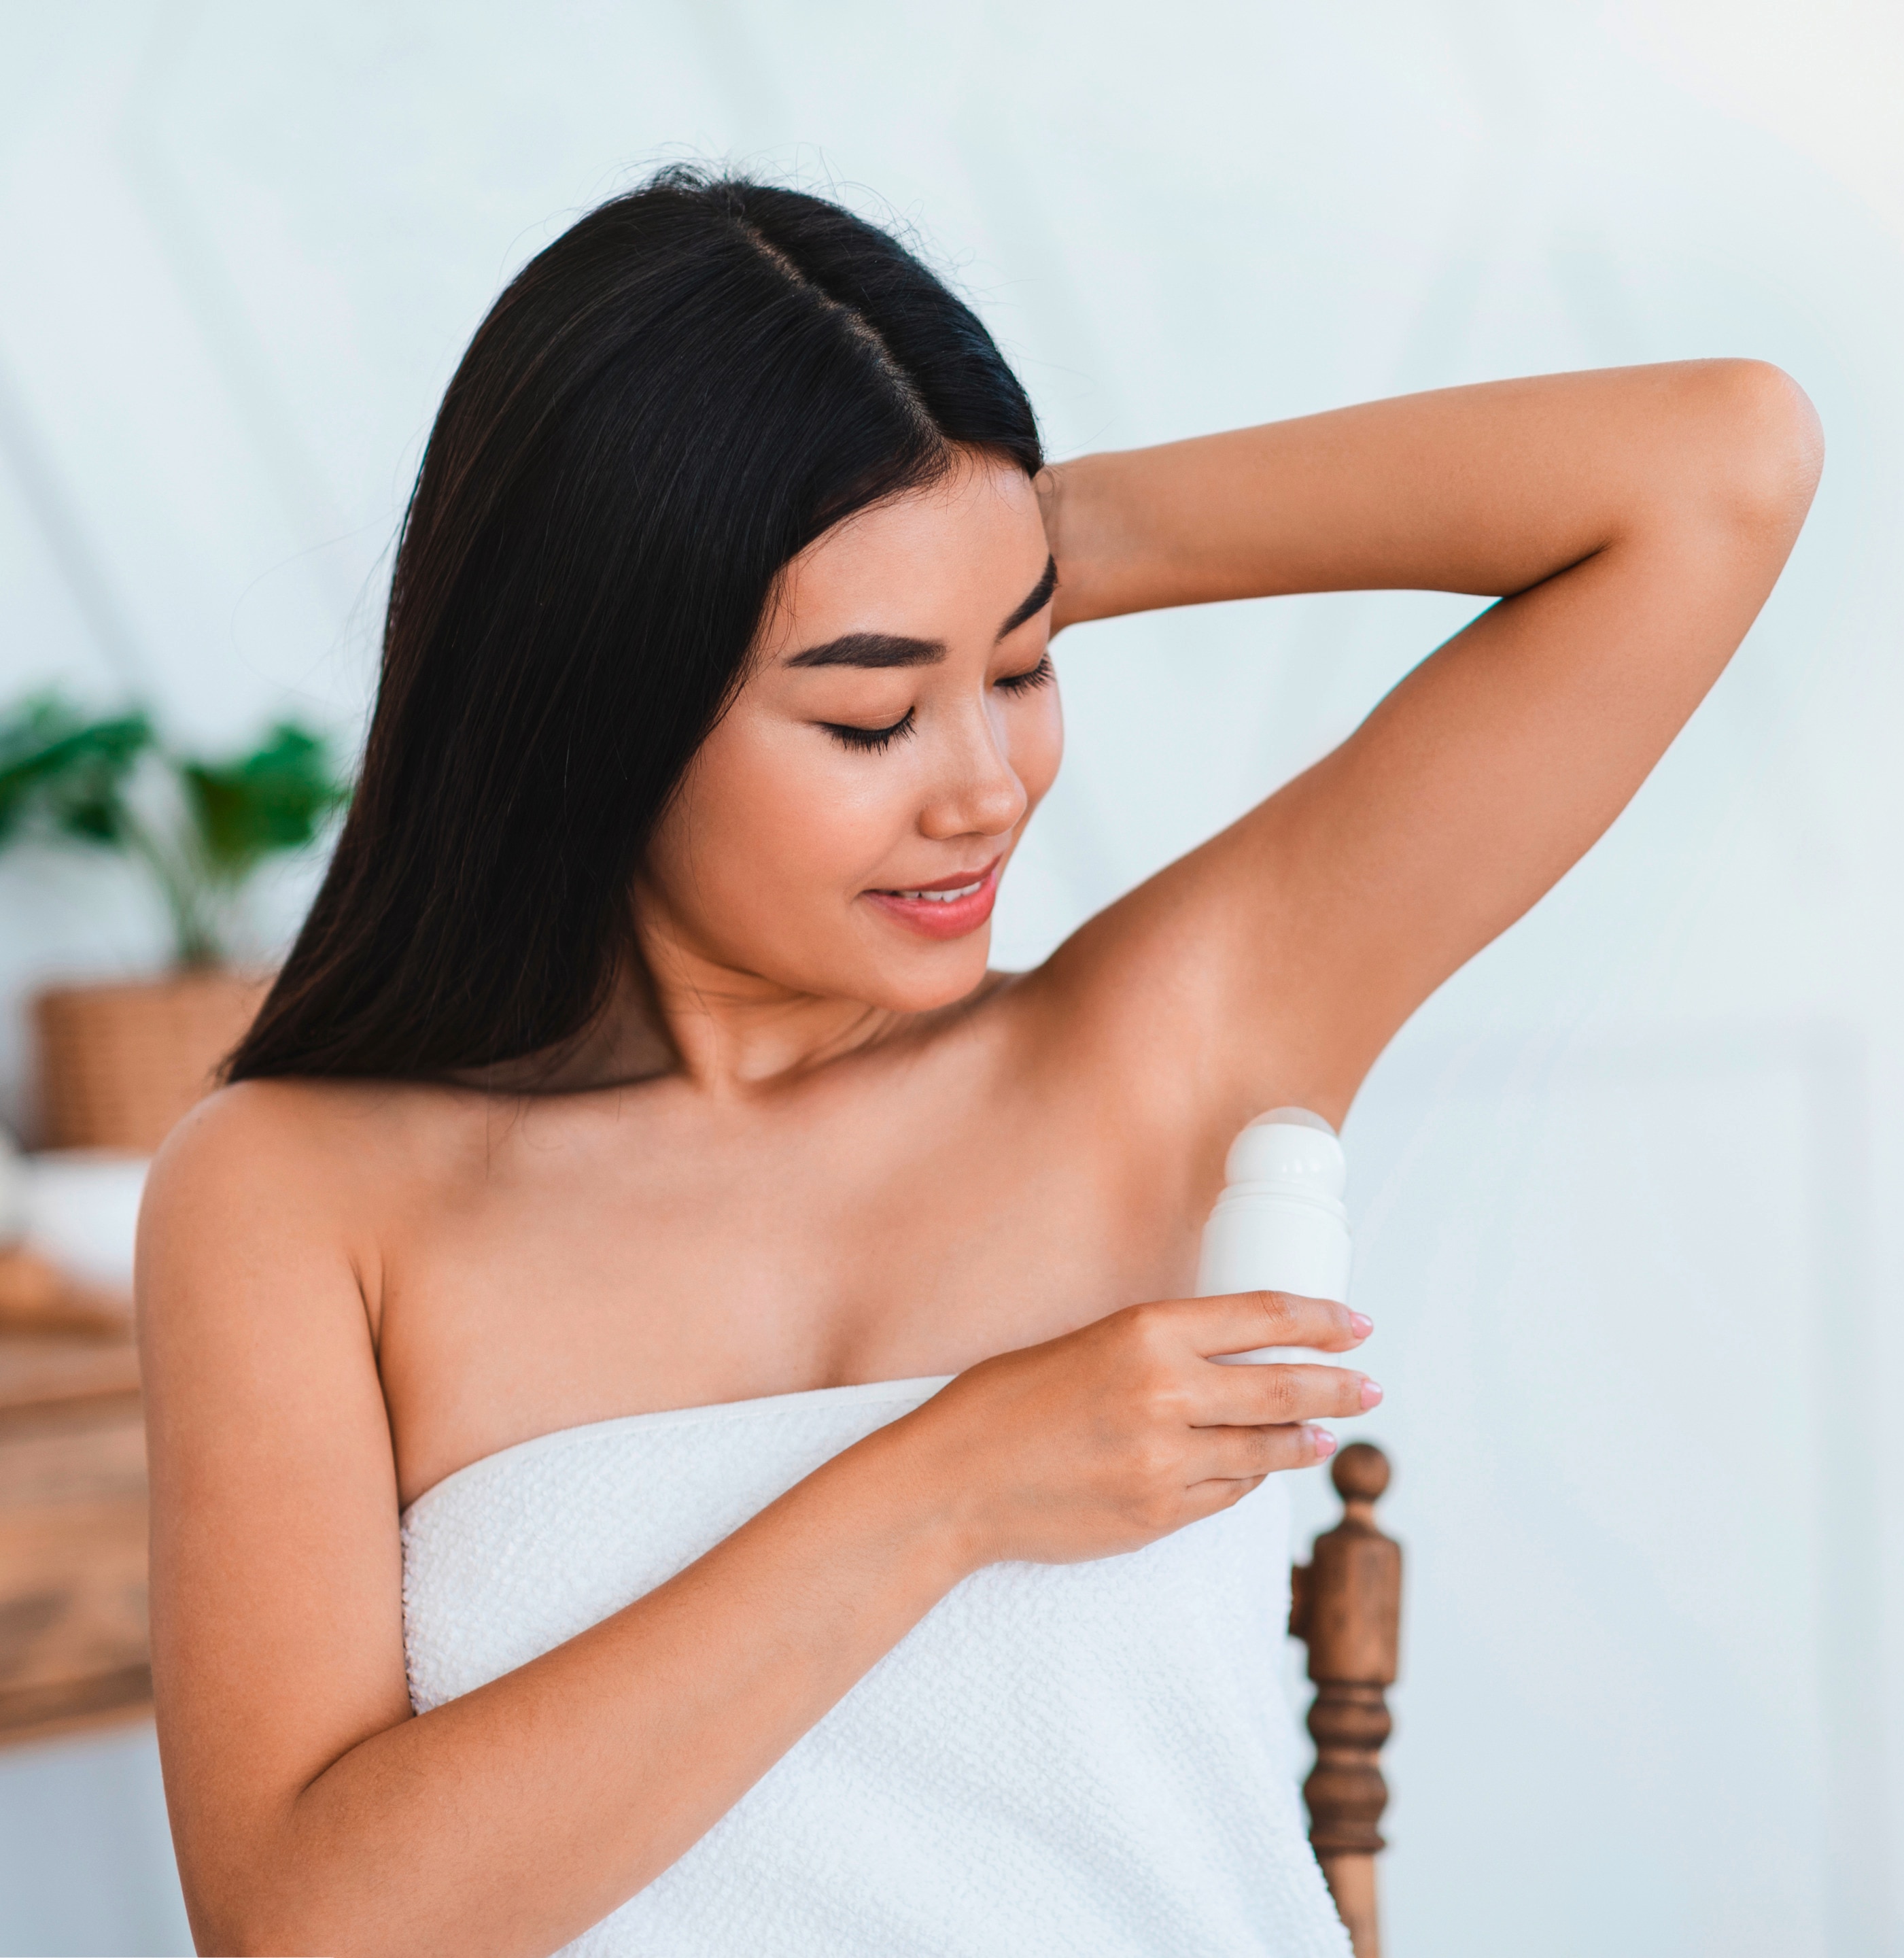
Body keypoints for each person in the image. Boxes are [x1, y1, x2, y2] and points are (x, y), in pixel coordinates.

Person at [137, 167, 1820, 1958]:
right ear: (599, 690)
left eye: (1020, 671)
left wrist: (1003, 535)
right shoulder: (292, 1195)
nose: (986, 788)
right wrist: (952, 1484)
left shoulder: (1168, 1046)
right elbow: (307, 1929)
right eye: (869, 712)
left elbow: (1720, 464)